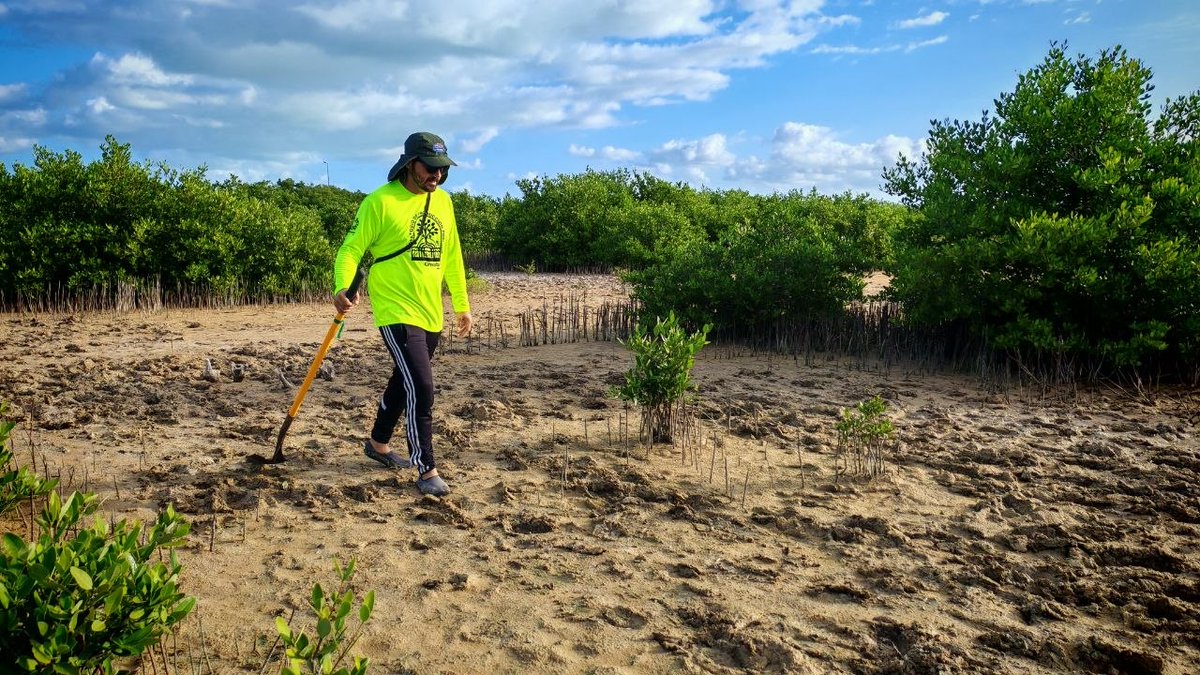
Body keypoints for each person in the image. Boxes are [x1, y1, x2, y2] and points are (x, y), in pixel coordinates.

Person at [332, 131, 472, 497]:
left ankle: (378, 443)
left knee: (404, 379)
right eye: (430, 168)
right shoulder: (379, 202)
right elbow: (350, 250)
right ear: (410, 164)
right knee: (421, 388)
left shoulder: (444, 202)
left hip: (430, 310)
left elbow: (452, 255)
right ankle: (426, 470)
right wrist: (342, 287)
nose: (437, 176)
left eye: (442, 169)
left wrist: (462, 304)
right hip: (394, 308)